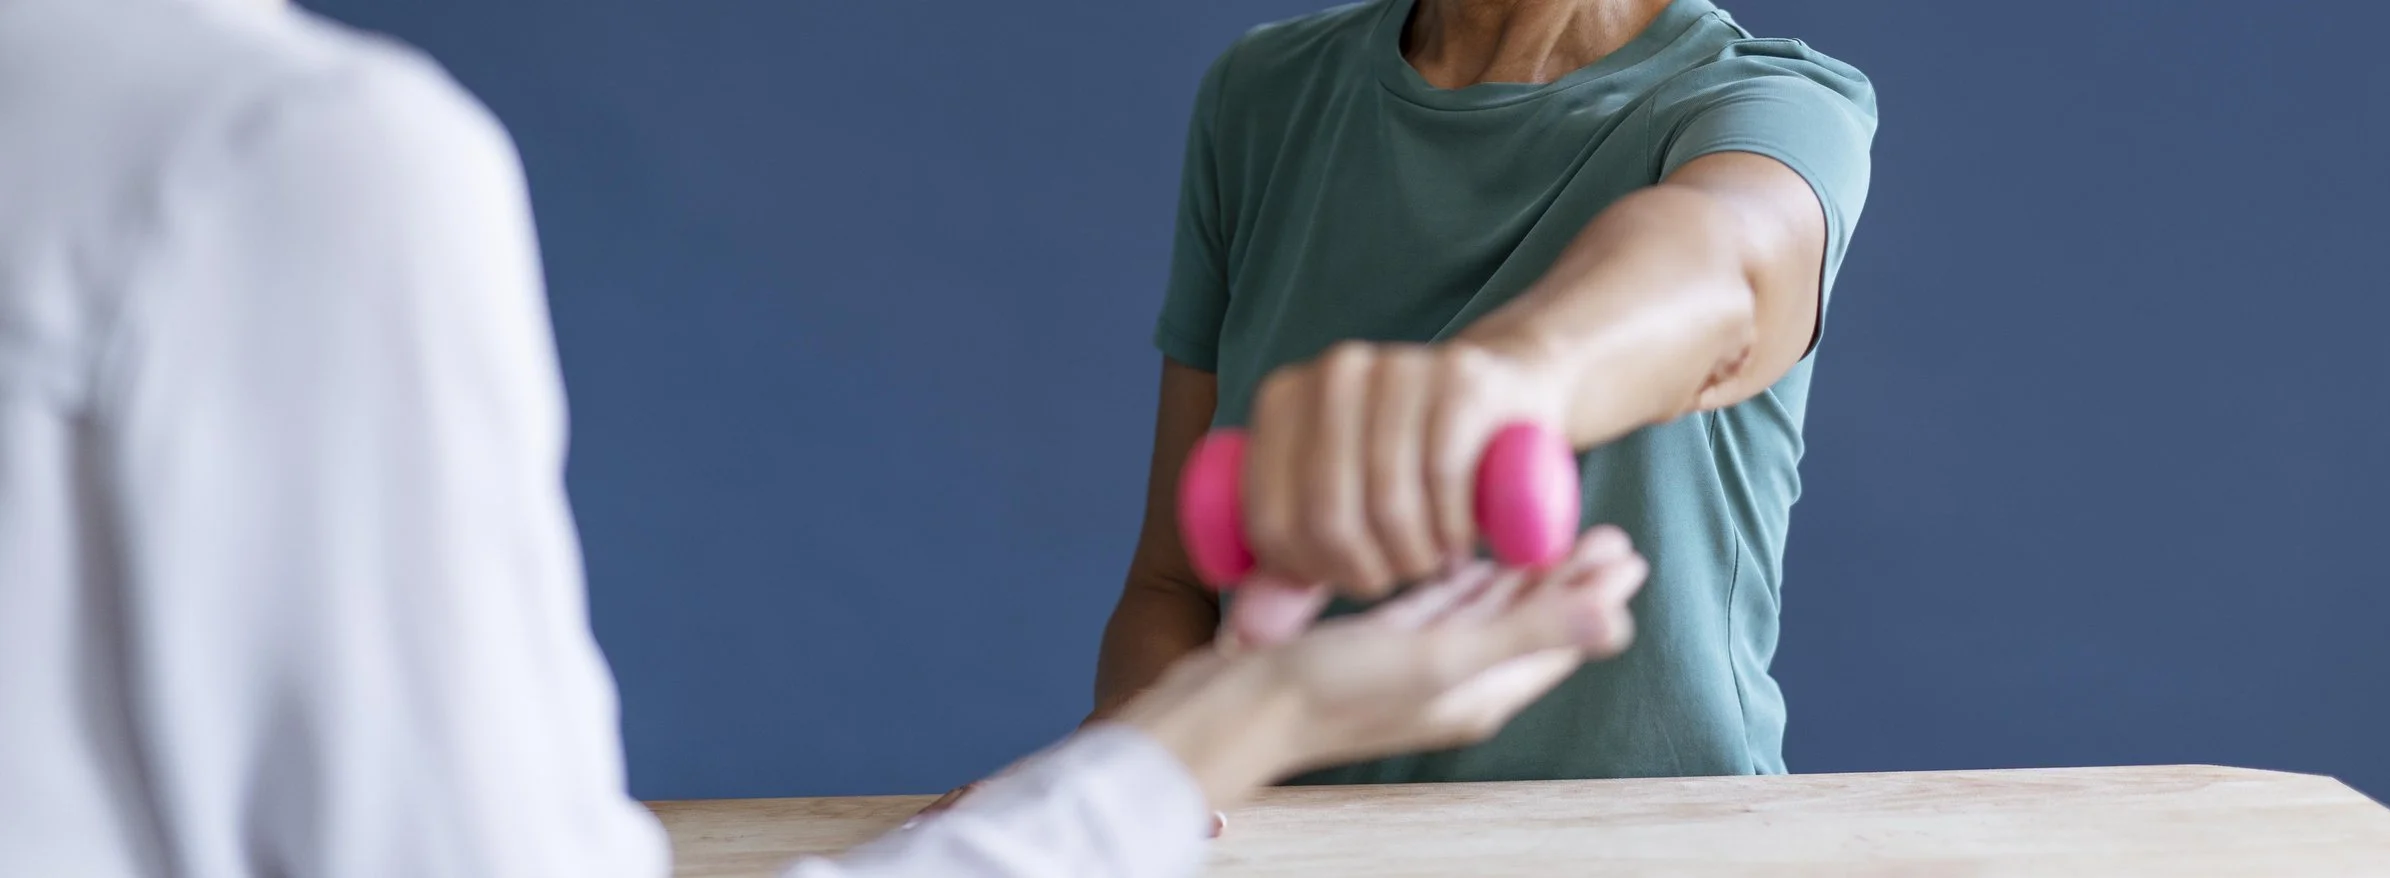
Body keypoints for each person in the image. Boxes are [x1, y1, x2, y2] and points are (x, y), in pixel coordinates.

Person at [0, 0, 1647, 876]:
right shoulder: (288, 156)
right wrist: (1238, 721)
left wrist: (1508, 377)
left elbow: (1729, 260)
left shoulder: (1742, 95)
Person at [1076, 0, 1880, 790]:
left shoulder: (1772, 104)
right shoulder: (1262, 90)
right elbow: (1173, 588)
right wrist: (1127, 781)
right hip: (1294, 844)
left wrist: (1510, 378)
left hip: (1658, 837)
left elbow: (1726, 263)